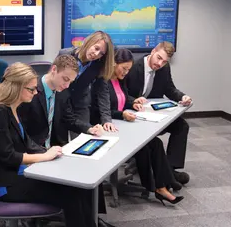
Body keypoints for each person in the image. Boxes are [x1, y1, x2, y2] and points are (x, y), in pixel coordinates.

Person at [0, 62, 98, 227]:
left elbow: (26, 141)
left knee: (78, 187)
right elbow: (8, 157)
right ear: (16, 87)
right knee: (71, 192)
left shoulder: (11, 108)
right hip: (6, 184)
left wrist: (49, 152)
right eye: (31, 89)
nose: (35, 93)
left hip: (19, 174)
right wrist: (43, 156)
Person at [17, 54, 112, 225]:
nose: (67, 85)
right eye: (65, 79)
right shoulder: (30, 92)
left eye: (70, 82)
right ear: (54, 70)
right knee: (75, 188)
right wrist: (44, 153)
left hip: (55, 149)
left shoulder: (62, 91)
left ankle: (93, 219)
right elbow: (23, 134)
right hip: (35, 154)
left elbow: (69, 119)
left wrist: (89, 128)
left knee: (90, 173)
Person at [91, 48, 184, 205]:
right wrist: (123, 115)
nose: (126, 72)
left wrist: (133, 101)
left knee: (155, 143)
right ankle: (158, 186)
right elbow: (104, 111)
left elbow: (124, 99)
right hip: (107, 128)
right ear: (114, 64)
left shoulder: (119, 80)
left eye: (128, 69)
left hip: (122, 124)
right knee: (145, 146)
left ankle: (162, 185)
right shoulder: (102, 82)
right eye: (124, 68)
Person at [125, 41, 191, 185]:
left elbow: (170, 89)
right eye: (159, 58)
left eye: (164, 61)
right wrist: (134, 100)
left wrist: (182, 97)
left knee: (181, 126)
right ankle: (164, 172)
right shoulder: (133, 66)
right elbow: (121, 93)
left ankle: (170, 168)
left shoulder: (164, 68)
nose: (160, 63)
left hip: (152, 114)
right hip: (132, 113)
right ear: (153, 51)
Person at [58, 31, 115, 128]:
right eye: (96, 48)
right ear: (89, 42)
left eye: (101, 53)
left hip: (80, 104)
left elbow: (102, 91)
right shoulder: (65, 54)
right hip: (60, 102)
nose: (96, 54)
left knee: (85, 135)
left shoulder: (98, 65)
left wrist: (106, 119)